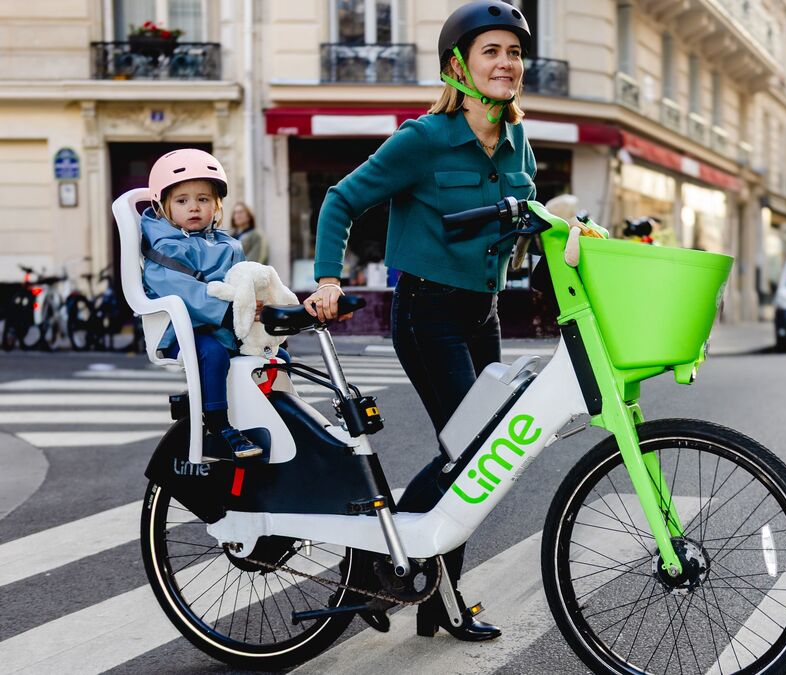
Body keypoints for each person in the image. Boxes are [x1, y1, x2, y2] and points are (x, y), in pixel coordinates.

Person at [302, 0, 536, 642]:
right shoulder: (424, 140)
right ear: (458, 66)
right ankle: (384, 565)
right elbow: (340, 200)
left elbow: (528, 221)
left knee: (472, 461)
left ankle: (436, 598)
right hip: (427, 311)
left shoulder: (518, 142)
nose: (507, 62)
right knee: (473, 449)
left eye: (514, 52)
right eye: (491, 50)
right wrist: (328, 278)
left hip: (482, 313)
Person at [141, 148, 289, 459]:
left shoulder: (226, 243)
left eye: (203, 199)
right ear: (163, 206)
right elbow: (179, 289)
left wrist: (264, 306)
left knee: (277, 354)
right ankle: (219, 424)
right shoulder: (163, 247)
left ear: (216, 205)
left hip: (228, 324)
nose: (193, 207)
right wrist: (232, 314)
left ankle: (275, 412)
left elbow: (242, 281)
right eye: (182, 201)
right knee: (212, 354)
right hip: (182, 331)